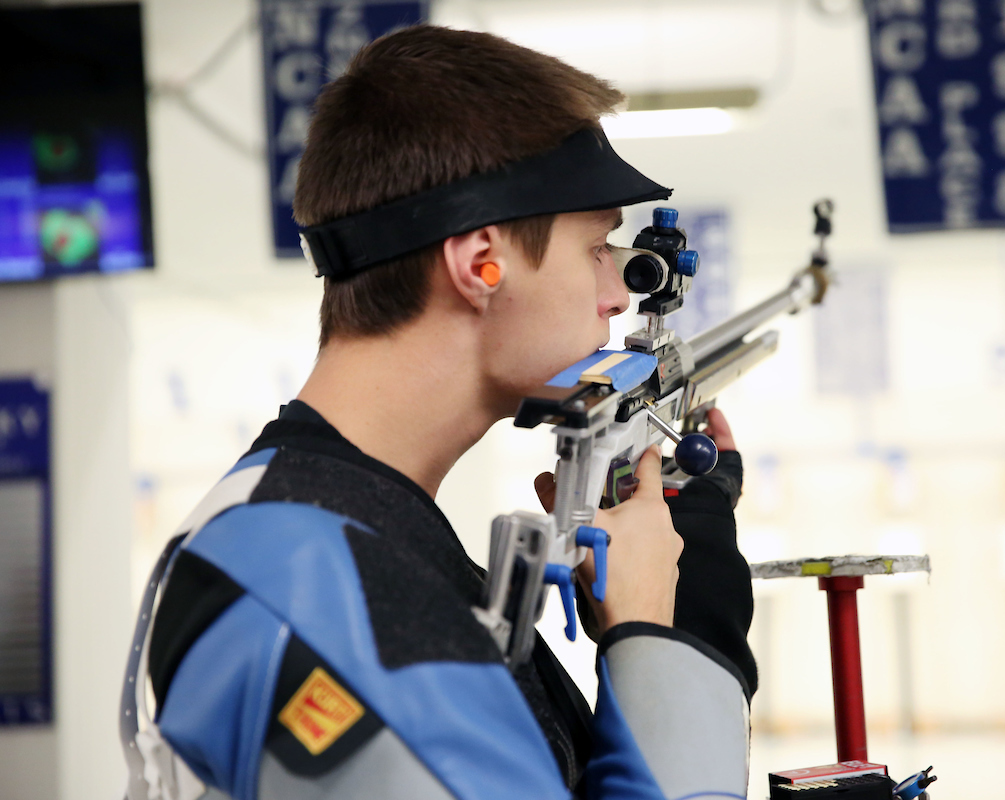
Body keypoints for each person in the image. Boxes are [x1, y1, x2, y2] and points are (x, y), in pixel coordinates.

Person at [120, 25, 756, 800]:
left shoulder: (355, 540)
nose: (618, 294)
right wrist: (664, 634)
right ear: (478, 262)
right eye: (596, 247)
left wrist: (662, 610)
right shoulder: (322, 595)